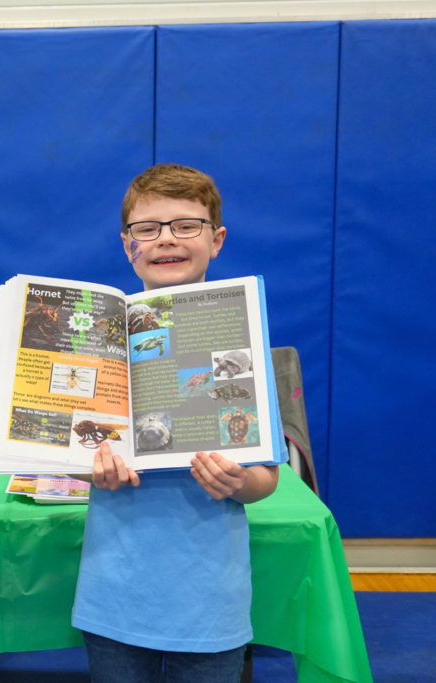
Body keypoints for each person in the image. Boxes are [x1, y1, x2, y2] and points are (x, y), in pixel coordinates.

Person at [72, 163, 286, 683]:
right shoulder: (98, 341)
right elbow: (75, 457)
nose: (166, 238)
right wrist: (89, 469)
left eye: (186, 225)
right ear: (128, 245)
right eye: (147, 228)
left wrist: (240, 482)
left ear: (217, 239)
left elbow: (266, 478)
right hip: (114, 588)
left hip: (210, 596)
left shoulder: (240, 337)